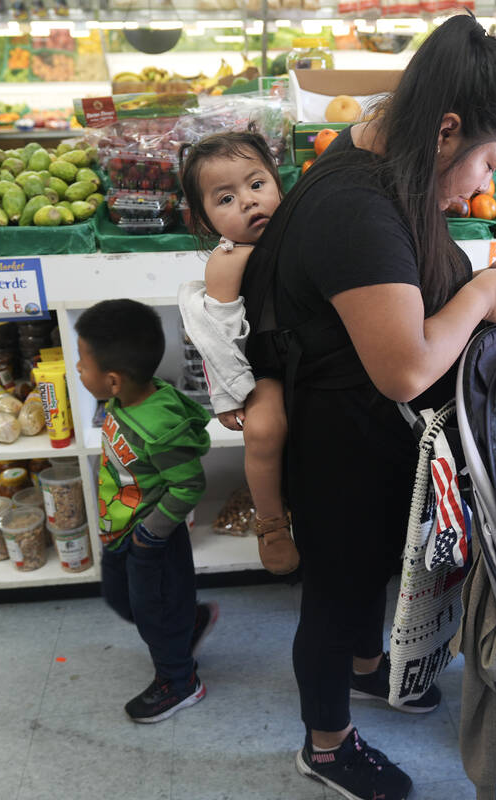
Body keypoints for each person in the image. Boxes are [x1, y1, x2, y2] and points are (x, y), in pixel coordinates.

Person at [242, 15, 496, 800]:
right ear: (447, 128)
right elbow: (407, 370)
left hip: (369, 432)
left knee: (368, 572)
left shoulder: (384, 151)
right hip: (343, 436)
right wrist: (482, 291)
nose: (483, 182)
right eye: (489, 159)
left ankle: (370, 668)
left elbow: (399, 287)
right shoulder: (357, 208)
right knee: (338, 589)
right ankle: (326, 742)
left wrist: (474, 278)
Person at [74, 299, 218, 724]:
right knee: (122, 601)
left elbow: (188, 484)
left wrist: (150, 536)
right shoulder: (128, 401)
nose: (78, 371)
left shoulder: (159, 425)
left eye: (82, 364)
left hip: (150, 541)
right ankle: (186, 622)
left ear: (113, 380)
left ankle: (179, 682)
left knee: (152, 615)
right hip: (120, 531)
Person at [177, 131, 299, 575]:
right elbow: (216, 337)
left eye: (256, 185)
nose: (248, 202)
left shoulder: (304, 231)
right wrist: (227, 396)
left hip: (317, 354)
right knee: (264, 429)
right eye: (226, 198)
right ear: (205, 221)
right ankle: (271, 523)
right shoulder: (227, 262)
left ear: (279, 186)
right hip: (267, 362)